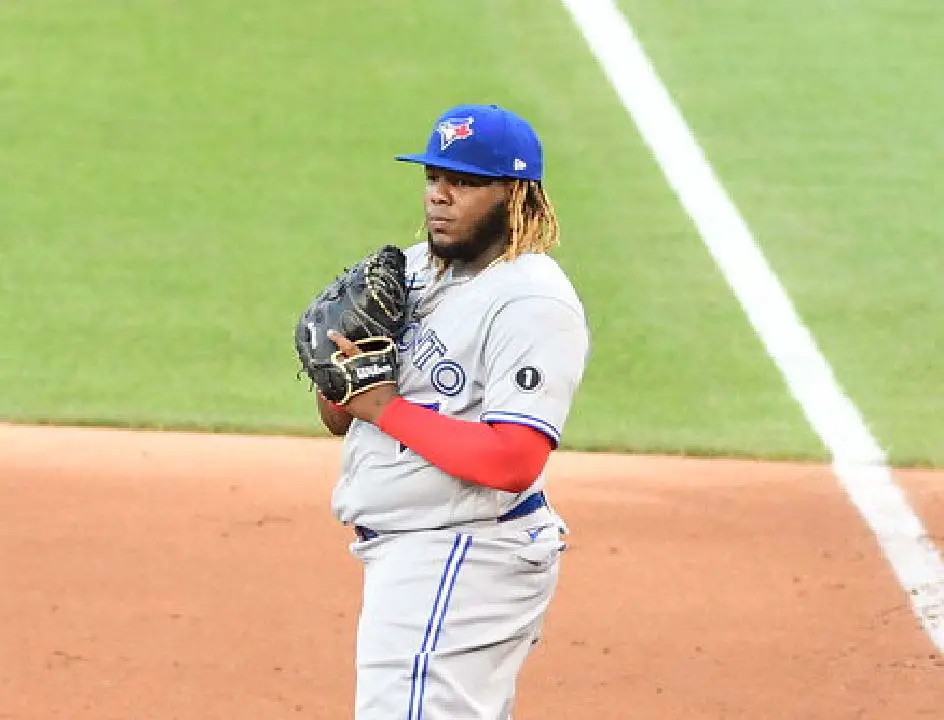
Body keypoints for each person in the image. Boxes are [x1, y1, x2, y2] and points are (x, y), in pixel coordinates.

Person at [317, 103, 590, 720]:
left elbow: (514, 459)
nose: (440, 197)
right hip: (418, 554)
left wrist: (383, 406)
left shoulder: (532, 302)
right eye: (434, 178)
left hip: (463, 554)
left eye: (465, 183)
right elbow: (343, 412)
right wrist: (339, 383)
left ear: (516, 195)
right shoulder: (412, 272)